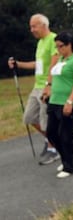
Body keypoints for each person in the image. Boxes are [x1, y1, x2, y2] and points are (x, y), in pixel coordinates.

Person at [8, 13, 60, 165]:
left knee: (46, 121)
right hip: (37, 86)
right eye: (30, 26)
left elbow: (54, 64)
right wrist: (19, 64)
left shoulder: (53, 39)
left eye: (34, 26)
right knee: (29, 117)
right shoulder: (40, 43)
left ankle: (53, 150)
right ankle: (53, 139)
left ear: (44, 25)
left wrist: (49, 86)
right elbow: (38, 65)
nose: (31, 30)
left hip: (47, 86)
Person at [44, 31, 73, 178]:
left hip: (69, 102)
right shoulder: (61, 59)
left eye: (61, 46)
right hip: (55, 101)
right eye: (57, 47)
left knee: (65, 134)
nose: (59, 49)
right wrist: (48, 89)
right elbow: (54, 77)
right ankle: (66, 157)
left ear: (69, 45)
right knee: (51, 132)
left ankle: (70, 167)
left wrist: (70, 101)